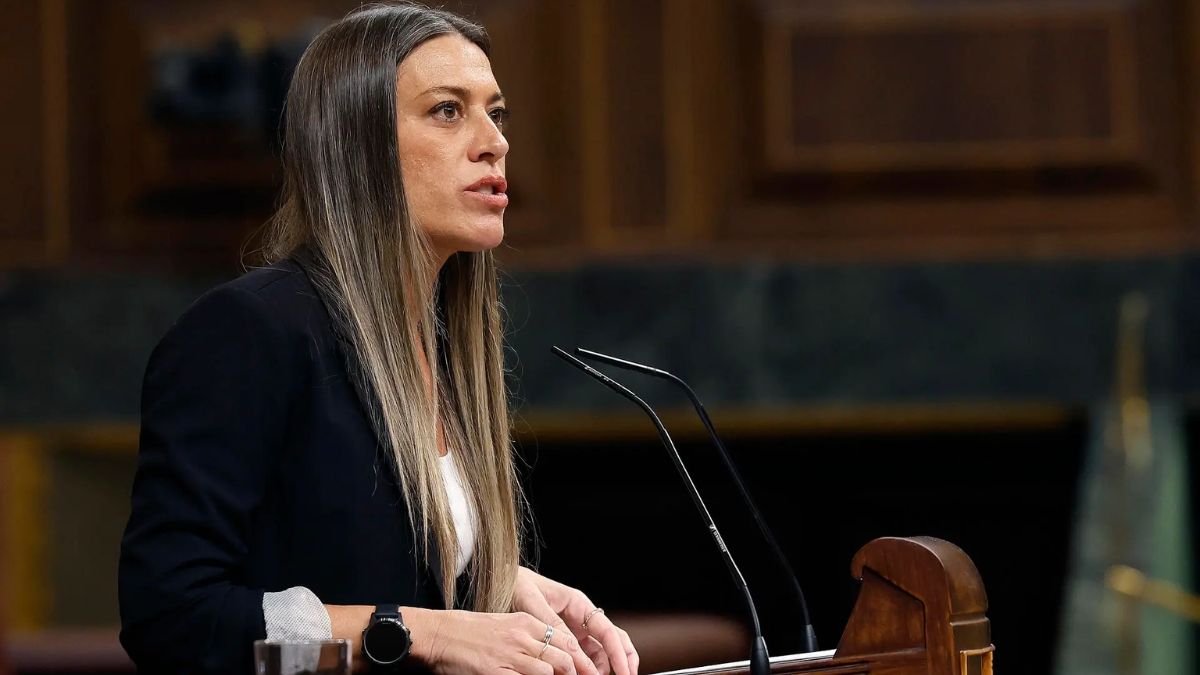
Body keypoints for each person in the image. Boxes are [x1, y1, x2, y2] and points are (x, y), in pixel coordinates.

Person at [117, 4, 640, 674]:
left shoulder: (439, 340)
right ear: (356, 144)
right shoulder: (251, 331)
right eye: (448, 111)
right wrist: (427, 630)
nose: (493, 141)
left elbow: (360, 552)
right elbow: (173, 616)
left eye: (496, 112)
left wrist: (493, 579)